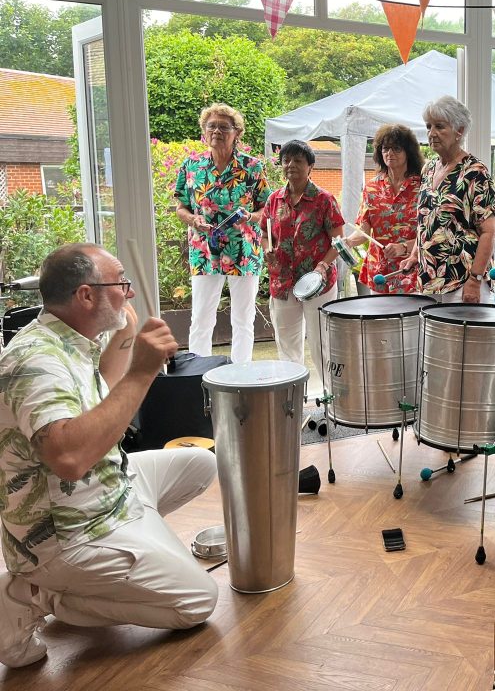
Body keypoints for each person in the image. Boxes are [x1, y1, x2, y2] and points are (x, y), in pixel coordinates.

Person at [0, 244, 219, 668]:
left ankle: (131, 544)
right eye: (122, 283)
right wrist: (143, 371)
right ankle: (30, 594)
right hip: (67, 531)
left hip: (107, 489)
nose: (130, 293)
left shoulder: (72, 338)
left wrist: (123, 333)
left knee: (201, 463)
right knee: (196, 602)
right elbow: (68, 458)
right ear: (85, 296)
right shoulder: (35, 361)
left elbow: (101, 390)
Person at [175, 103, 269, 363]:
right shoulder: (191, 166)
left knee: (243, 318)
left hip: (243, 251)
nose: (216, 131)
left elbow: (266, 209)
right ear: (204, 131)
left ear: (236, 132)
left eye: (223, 127)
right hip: (205, 251)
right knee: (202, 317)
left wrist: (249, 216)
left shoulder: (252, 167)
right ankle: (198, 376)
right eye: (211, 126)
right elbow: (180, 207)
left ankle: (240, 376)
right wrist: (193, 220)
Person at [262, 140, 345, 392]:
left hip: (317, 282)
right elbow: (265, 233)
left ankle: (331, 399)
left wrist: (322, 265)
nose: (291, 165)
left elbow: (338, 242)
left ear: (310, 166)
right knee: (287, 345)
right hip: (283, 281)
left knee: (322, 343)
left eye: (298, 160)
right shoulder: (274, 200)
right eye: (287, 160)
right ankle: (294, 399)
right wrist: (267, 248)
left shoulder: (324, 200)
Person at [400, 95, 495, 304]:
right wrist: (414, 255)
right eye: (428, 126)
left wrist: (475, 279)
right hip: (428, 281)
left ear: (459, 131)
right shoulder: (428, 168)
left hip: (462, 283)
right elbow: (427, 223)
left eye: (440, 126)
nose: (431, 133)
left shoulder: (475, 172)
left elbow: (489, 231)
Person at [345, 124, 422, 295]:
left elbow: (429, 235)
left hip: (411, 271)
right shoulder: (371, 187)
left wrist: (403, 247)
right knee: (379, 321)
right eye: (385, 148)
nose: (390, 153)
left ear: (408, 152)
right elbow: (363, 229)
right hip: (379, 271)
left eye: (396, 148)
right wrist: (347, 242)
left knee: (408, 322)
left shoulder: (423, 186)